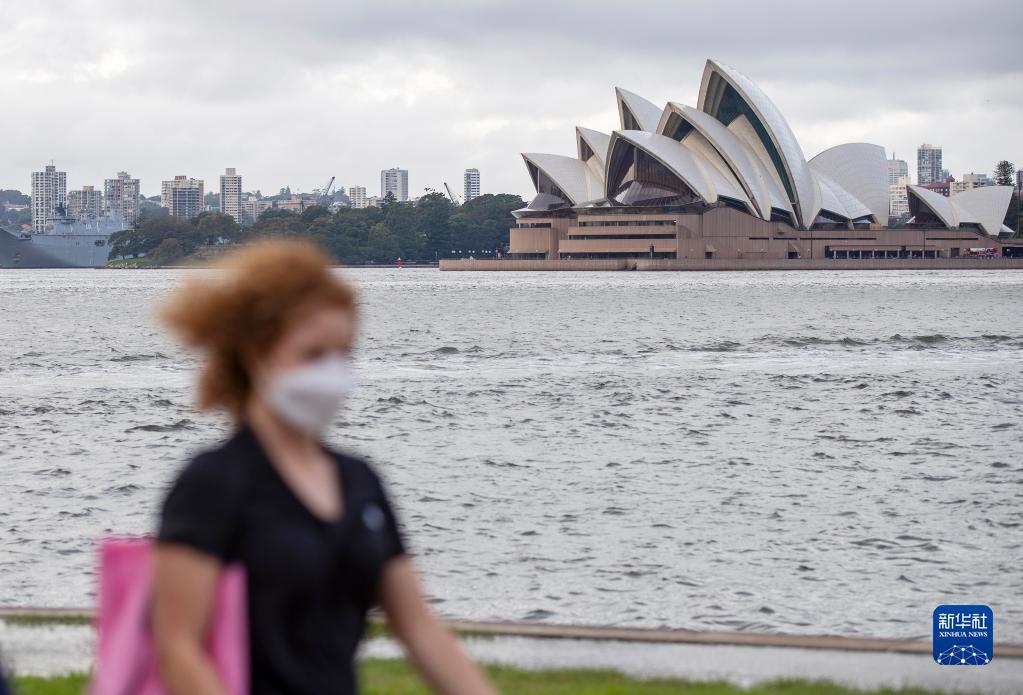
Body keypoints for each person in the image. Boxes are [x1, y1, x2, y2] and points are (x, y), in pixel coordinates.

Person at [152, 241, 495, 695]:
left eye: (343, 353)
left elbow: (420, 630)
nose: (333, 372)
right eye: (313, 354)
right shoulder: (214, 482)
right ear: (257, 354)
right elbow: (177, 646)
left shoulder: (360, 482)